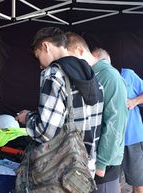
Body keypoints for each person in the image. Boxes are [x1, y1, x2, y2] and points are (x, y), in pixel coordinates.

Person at [16, 27, 104, 178]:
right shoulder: (90, 73)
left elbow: (45, 132)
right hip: (85, 169)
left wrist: (27, 118)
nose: (40, 65)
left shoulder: (53, 74)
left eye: (38, 57)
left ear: (45, 46)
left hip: (62, 171)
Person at [66, 32, 128, 193]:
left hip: (104, 165)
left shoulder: (110, 77)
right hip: (86, 161)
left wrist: (101, 164)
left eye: (69, 58)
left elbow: (116, 123)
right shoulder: (89, 76)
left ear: (80, 50)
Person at [92, 48, 143, 193]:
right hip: (109, 143)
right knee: (114, 185)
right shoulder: (94, 80)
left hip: (131, 139)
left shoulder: (127, 74)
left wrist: (134, 101)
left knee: (138, 183)